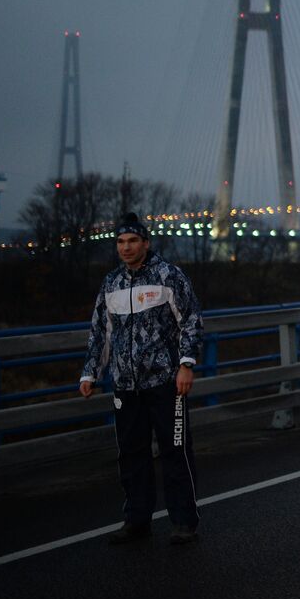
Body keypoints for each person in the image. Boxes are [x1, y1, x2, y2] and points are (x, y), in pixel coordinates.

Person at [79, 213, 204, 545]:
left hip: (166, 382)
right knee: (131, 455)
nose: (126, 247)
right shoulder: (112, 283)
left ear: (146, 243)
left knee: (175, 452)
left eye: (133, 241)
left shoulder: (169, 276)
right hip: (125, 385)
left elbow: (190, 321)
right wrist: (91, 372)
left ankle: (183, 523)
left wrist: (186, 365)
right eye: (120, 242)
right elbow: (100, 333)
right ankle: (137, 520)